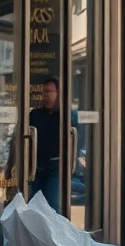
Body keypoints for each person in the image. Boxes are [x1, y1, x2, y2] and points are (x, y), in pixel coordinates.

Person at [5, 76, 77, 210]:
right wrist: (11, 164)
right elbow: (17, 137)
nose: (45, 95)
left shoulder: (67, 116)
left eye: (48, 92)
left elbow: (77, 141)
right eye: (43, 92)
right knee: (33, 206)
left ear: (59, 93)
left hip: (56, 167)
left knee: (53, 205)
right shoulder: (35, 115)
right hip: (35, 167)